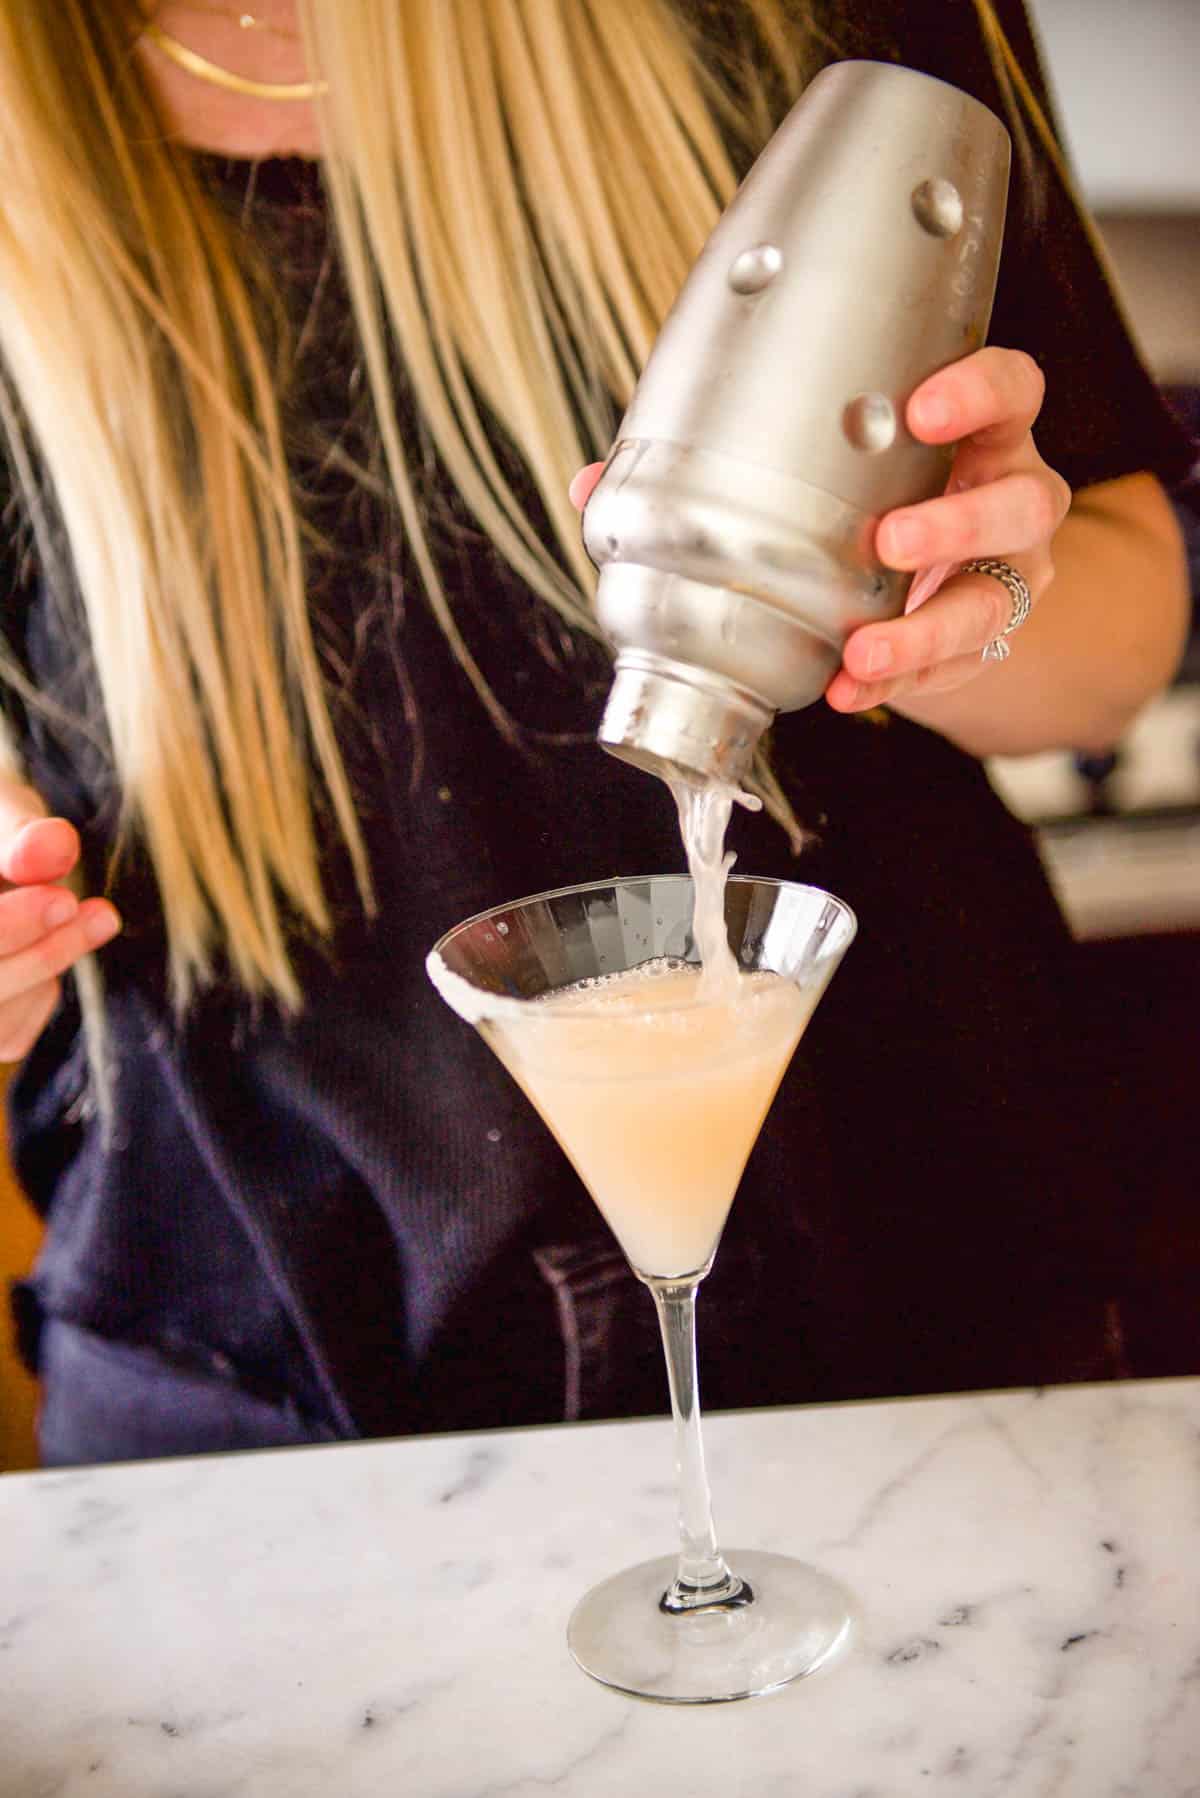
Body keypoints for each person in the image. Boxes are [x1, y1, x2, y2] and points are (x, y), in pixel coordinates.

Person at [0, 0, 1193, 1466]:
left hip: (920, 1291)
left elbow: (1114, 658)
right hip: (249, 1368)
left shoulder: (818, 38)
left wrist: (948, 603)